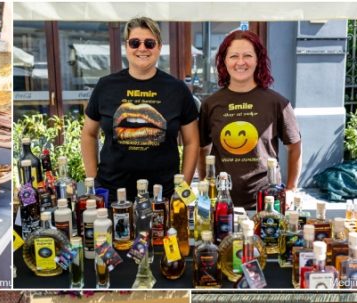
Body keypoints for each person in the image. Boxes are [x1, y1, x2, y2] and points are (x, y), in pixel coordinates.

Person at [82, 16, 199, 198]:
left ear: (159, 47)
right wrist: (93, 182)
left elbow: (192, 142)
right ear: (126, 47)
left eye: (149, 43)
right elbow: (89, 133)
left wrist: (183, 189)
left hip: (165, 195)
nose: (142, 48)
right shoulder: (105, 86)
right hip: (112, 194)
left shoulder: (178, 89)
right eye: (135, 43)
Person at [198, 29, 301, 207]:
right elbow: (202, 150)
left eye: (247, 55)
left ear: (258, 60)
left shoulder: (277, 103)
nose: (240, 62)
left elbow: (295, 148)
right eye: (233, 56)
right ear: (224, 61)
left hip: (266, 200)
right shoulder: (210, 104)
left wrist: (291, 189)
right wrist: (206, 185)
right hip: (221, 201)